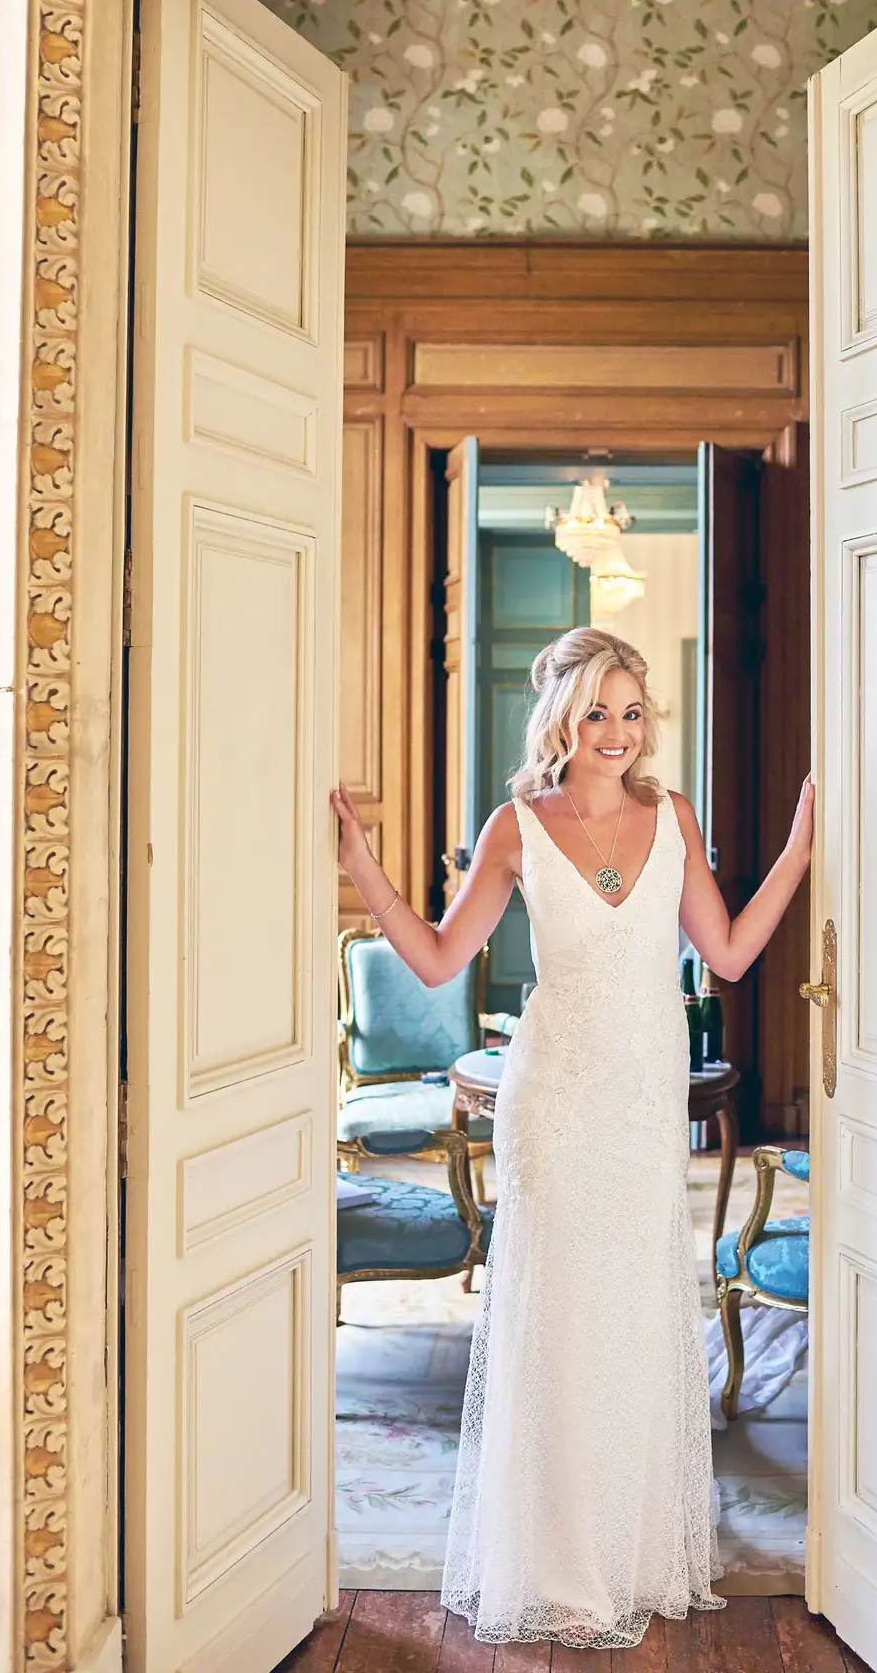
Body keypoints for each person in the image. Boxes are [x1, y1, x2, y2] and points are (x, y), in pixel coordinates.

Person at [331, 626, 814, 1649]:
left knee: (636, 1304)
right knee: (553, 1309)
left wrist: (797, 857)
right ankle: (550, 1557)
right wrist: (364, 869)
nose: (617, 732)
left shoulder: (671, 816)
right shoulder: (518, 825)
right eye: (597, 710)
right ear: (561, 715)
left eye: (632, 712)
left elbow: (725, 953)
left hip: (642, 1098)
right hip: (551, 1096)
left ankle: (630, 1548)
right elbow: (435, 958)